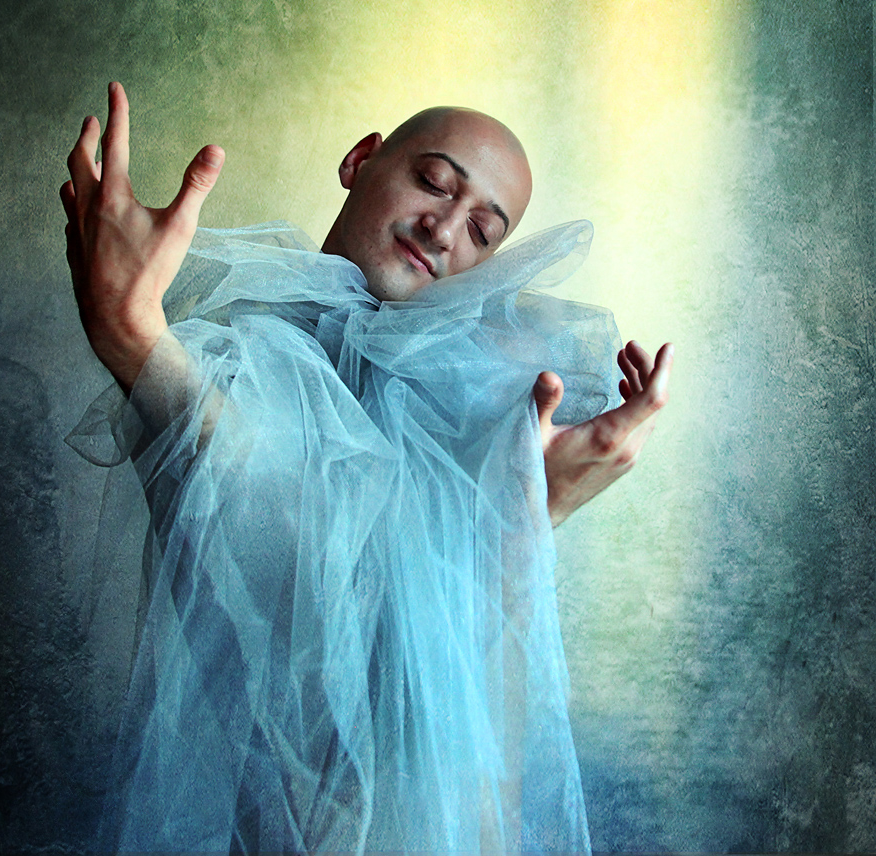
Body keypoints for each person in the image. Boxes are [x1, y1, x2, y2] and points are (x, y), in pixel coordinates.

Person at [61, 83, 671, 853]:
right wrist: (132, 335)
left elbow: (472, 748)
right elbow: (270, 523)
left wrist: (530, 516)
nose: (443, 229)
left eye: (482, 231)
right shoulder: (254, 354)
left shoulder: (467, 414)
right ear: (360, 160)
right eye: (434, 182)